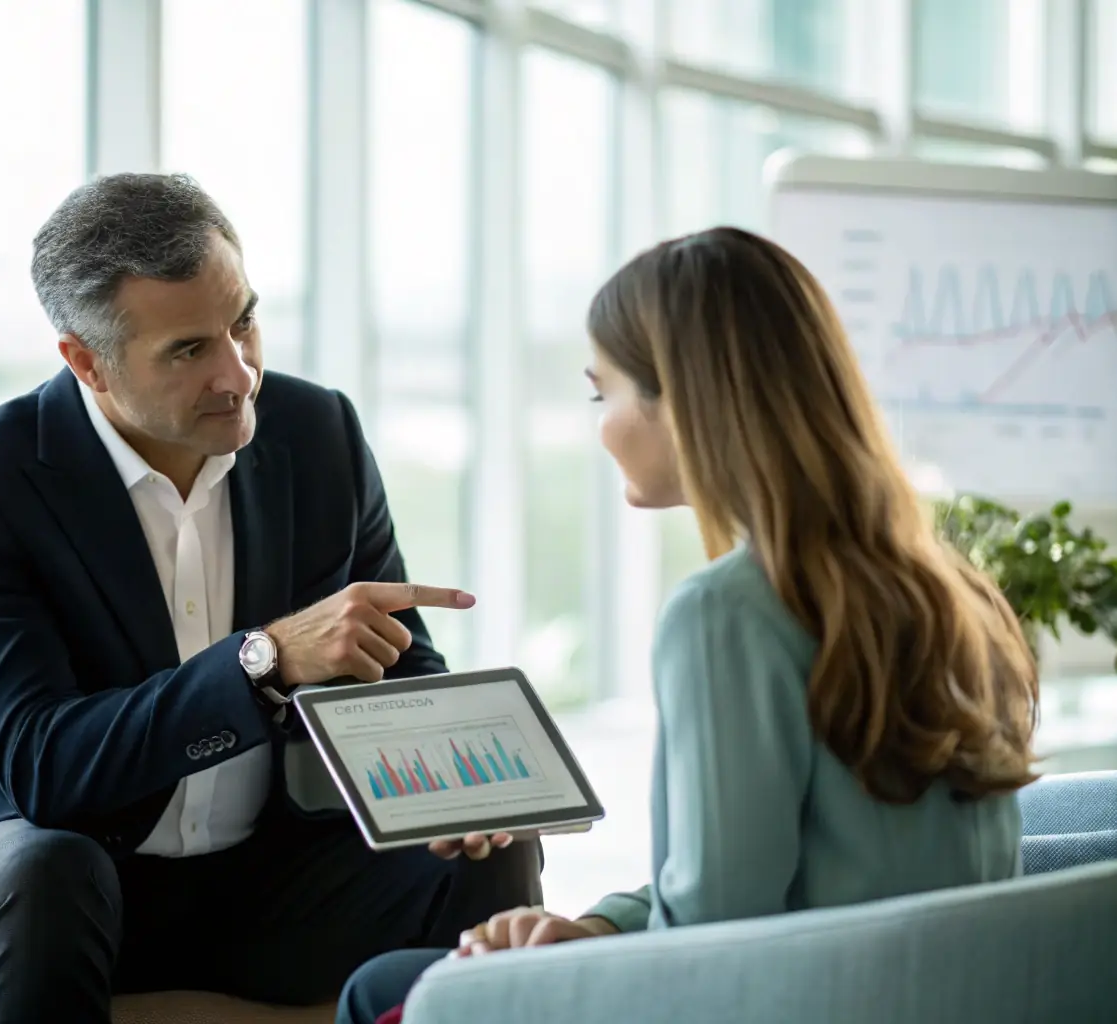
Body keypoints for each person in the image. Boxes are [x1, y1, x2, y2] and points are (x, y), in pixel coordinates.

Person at [0, 172, 542, 1023]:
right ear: (86, 362)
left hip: (265, 879)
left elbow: (395, 664)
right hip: (47, 872)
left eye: (243, 321)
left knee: (491, 846)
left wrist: (452, 792)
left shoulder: (317, 434)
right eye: (188, 350)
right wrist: (264, 660)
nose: (238, 374)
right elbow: (45, 768)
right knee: (45, 870)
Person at [335, 226, 1039, 1024]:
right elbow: (774, 879)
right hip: (920, 995)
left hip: (775, 999)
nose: (600, 427)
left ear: (684, 400)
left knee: (386, 991)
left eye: (605, 394)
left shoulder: (725, 612)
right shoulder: (955, 591)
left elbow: (714, 931)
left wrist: (597, 952)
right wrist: (599, 927)